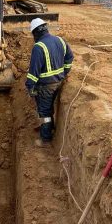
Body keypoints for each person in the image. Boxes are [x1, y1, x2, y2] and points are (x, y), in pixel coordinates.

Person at [25, 18, 74, 147]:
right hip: (59, 82)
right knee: (49, 107)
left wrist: (30, 87)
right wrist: (65, 71)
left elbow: (33, 72)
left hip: (46, 86)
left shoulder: (38, 47)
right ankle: (49, 126)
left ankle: (45, 139)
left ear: (35, 33)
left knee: (44, 112)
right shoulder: (60, 40)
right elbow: (69, 57)